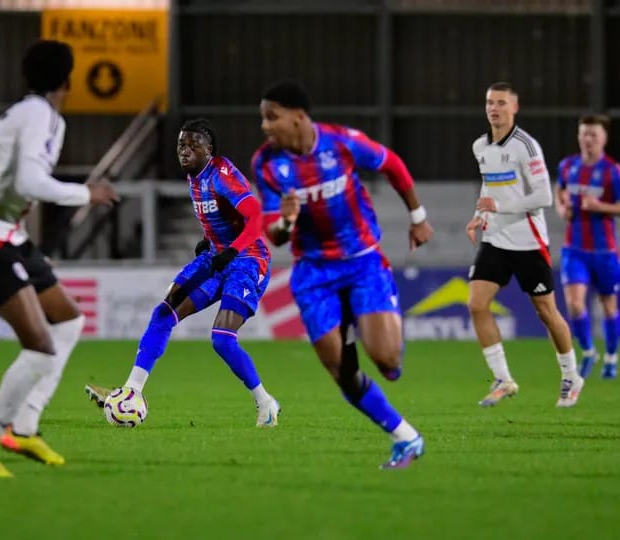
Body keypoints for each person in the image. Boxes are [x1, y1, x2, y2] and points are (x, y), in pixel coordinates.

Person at [0, 40, 119, 477]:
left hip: (7, 235)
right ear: (68, 79)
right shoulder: (39, 114)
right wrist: (87, 193)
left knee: (68, 319)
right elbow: (30, 180)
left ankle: (25, 427)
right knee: (41, 347)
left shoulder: (28, 114)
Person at [252, 80, 432, 469]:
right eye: (263, 119)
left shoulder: (341, 143)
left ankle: (378, 341)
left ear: (298, 117)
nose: (265, 126)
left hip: (362, 261)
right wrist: (286, 221)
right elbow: (274, 235)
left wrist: (417, 217)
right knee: (342, 372)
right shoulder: (267, 164)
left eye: (272, 117)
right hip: (313, 273)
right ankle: (407, 438)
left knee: (386, 361)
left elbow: (392, 164)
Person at [85, 118, 281, 426]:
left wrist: (230, 249)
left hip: (247, 260)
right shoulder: (195, 177)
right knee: (163, 313)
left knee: (222, 339)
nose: (185, 151)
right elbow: (222, 217)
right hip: (216, 257)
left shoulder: (221, 173)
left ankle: (266, 403)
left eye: (193, 145)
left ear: (209, 150)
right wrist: (211, 240)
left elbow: (256, 218)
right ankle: (132, 391)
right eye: (181, 145)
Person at [466, 81, 584, 408]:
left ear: (514, 108)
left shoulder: (526, 146)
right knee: (476, 304)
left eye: (501, 103)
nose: (494, 108)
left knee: (547, 312)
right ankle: (503, 379)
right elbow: (489, 189)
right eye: (490, 102)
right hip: (495, 239)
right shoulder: (480, 146)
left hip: (528, 240)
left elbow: (543, 196)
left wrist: (499, 208)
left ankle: (571, 375)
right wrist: (479, 214)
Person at [556, 114, 620, 380]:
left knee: (608, 305)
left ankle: (611, 358)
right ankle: (588, 351)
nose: (587, 139)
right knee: (573, 304)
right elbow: (559, 192)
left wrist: (600, 207)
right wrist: (562, 209)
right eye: (584, 134)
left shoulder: (612, 171)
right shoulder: (567, 166)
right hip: (574, 249)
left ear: (604, 138)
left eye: (593, 134)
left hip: (605, 251)